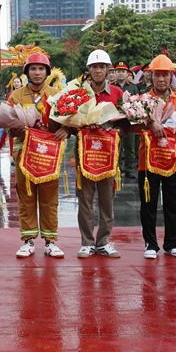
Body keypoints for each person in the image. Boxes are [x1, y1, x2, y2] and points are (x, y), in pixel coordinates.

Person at [9, 52, 65, 258]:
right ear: (27, 72)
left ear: (47, 72)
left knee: (50, 198)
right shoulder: (16, 95)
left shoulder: (57, 94)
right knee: (26, 196)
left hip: (49, 154)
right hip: (24, 154)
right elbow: (8, 121)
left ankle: (50, 241)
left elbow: (68, 119)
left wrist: (65, 130)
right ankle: (28, 240)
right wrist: (19, 128)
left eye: (41, 69)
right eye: (33, 68)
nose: (37, 72)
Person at [137, 54, 176, 259]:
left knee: (173, 202)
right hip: (148, 159)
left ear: (171, 77)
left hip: (173, 159)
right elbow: (134, 125)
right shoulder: (143, 100)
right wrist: (150, 124)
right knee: (148, 203)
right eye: (157, 75)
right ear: (151, 77)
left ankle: (172, 243)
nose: (161, 79)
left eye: (165, 75)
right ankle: (150, 243)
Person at [74, 50, 123, 259]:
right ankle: (87, 241)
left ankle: (103, 241)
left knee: (106, 198)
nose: (98, 70)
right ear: (89, 70)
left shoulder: (117, 94)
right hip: (85, 152)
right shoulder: (79, 93)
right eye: (94, 67)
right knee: (85, 198)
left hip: (108, 153)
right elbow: (69, 117)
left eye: (102, 66)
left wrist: (114, 126)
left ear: (108, 70)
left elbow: (125, 121)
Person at [114, 62, 140, 179]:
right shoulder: (111, 86)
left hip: (130, 121)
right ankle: (117, 168)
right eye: (118, 71)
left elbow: (137, 103)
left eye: (123, 71)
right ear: (115, 72)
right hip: (116, 121)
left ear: (127, 73)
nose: (121, 73)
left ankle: (130, 169)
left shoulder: (133, 87)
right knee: (116, 145)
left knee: (130, 146)